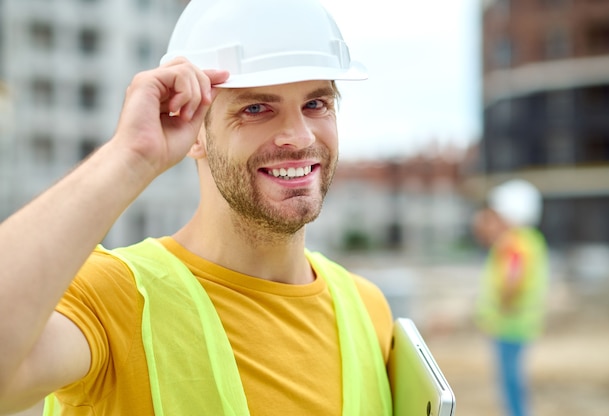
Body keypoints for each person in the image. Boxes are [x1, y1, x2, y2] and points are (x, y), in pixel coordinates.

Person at [0, 0, 394, 414]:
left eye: (316, 104)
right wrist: (130, 155)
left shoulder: (367, 310)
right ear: (193, 133)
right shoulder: (115, 297)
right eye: (256, 108)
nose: (297, 136)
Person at [472, 179, 550, 416]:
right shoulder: (531, 239)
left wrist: (502, 308)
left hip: (510, 324)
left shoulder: (515, 243)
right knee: (514, 380)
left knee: (511, 383)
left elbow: (512, 280)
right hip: (521, 322)